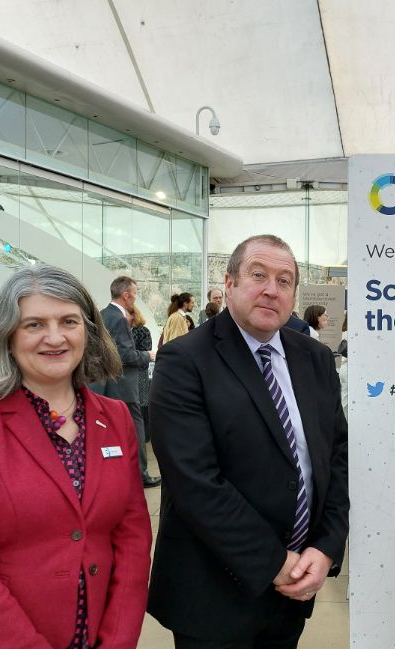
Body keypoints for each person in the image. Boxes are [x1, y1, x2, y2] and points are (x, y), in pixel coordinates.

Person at [0, 265, 153, 649]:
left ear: (87, 332)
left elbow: (133, 542)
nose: (54, 337)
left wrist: (117, 640)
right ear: (7, 336)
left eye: (68, 321)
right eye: (34, 324)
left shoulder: (115, 418)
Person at [147, 234, 349, 649]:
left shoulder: (314, 358)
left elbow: (336, 458)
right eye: (258, 275)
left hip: (293, 591)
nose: (271, 289)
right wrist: (276, 563)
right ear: (230, 282)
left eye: (285, 280)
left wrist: (326, 546)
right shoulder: (185, 360)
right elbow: (195, 481)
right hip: (215, 592)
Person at [91, 276, 160, 488]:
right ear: (126, 295)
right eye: (135, 294)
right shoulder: (119, 318)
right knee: (135, 429)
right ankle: (141, 475)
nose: (135, 299)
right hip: (123, 386)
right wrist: (148, 355)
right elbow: (124, 355)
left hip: (106, 384)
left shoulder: (103, 314)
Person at [129, 306, 154, 442]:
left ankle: (144, 436)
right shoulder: (122, 331)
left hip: (140, 373)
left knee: (142, 405)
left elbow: (147, 353)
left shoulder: (143, 331)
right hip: (128, 374)